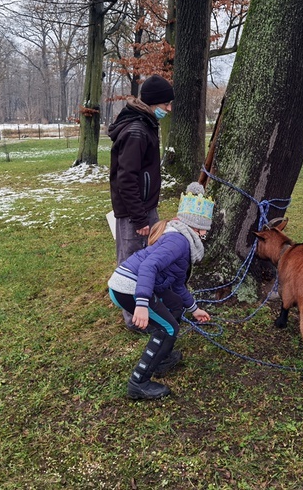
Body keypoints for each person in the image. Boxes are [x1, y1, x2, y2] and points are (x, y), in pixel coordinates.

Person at [107, 182, 213, 400]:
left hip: (134, 285)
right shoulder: (179, 242)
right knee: (168, 329)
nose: (206, 234)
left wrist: (194, 309)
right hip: (128, 289)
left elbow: (176, 285)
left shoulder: (181, 240)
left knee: (174, 304)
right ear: (197, 228)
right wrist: (142, 304)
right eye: (205, 229)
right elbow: (148, 267)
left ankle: (161, 357)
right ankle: (138, 382)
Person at [108, 74, 175, 332]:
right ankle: (135, 320)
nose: (168, 109)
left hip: (144, 207)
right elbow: (126, 179)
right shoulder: (136, 130)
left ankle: (146, 306)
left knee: (148, 258)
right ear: (153, 102)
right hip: (136, 211)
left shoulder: (144, 123)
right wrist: (139, 217)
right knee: (133, 262)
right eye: (166, 104)